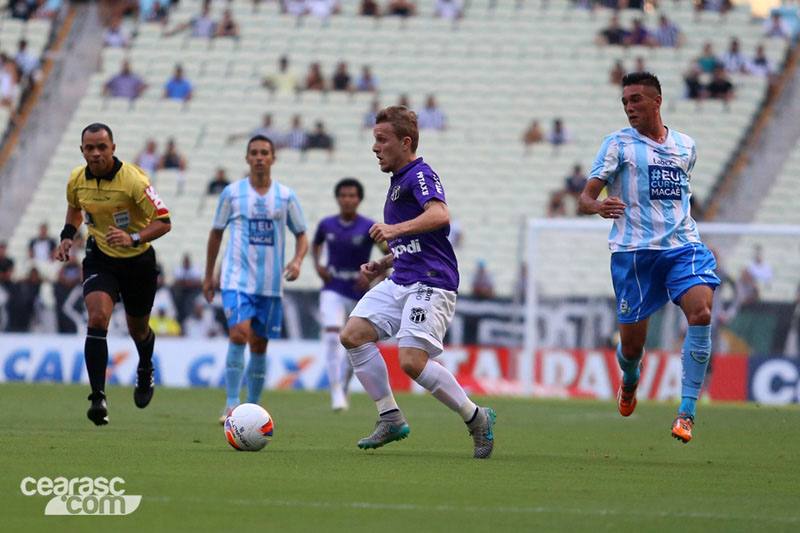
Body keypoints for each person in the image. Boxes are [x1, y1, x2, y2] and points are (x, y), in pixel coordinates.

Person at [339, 106, 495, 459]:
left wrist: (393, 230)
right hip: (403, 276)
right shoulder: (398, 183)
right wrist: (385, 259)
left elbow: (440, 214)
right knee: (353, 335)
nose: (375, 148)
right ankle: (390, 416)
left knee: (411, 361)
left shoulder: (419, 174)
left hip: (431, 282)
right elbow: (418, 241)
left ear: (405, 142)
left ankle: (476, 417)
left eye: (382, 140)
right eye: (374, 140)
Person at [578, 72, 720, 444]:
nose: (629, 108)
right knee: (632, 347)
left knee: (702, 313)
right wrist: (598, 206)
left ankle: (686, 413)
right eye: (625, 102)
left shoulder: (686, 146)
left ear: (657, 101)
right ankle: (629, 377)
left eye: (637, 99)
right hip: (634, 255)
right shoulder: (617, 146)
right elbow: (585, 197)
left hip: (682, 247)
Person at [55, 123, 172, 425]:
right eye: (89, 148)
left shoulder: (133, 179)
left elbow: (164, 221)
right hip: (100, 258)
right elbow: (74, 208)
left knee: (138, 330)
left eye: (101, 147)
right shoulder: (76, 179)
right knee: (96, 318)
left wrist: (133, 238)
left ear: (113, 148)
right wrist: (67, 235)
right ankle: (98, 397)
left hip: (138, 262)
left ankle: (145, 366)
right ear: (82, 150)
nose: (95, 153)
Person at [203, 134, 308, 423]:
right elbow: (216, 232)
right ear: (247, 158)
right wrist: (210, 273)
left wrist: (297, 260)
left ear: (273, 158)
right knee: (239, 334)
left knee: (260, 346)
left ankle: (252, 410)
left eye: (264, 152)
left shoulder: (285, 196)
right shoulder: (232, 193)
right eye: (254, 153)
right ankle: (231, 404)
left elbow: (302, 234)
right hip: (236, 278)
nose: (259, 157)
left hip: (270, 284)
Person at [312, 178, 380, 411]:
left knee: (356, 342)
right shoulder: (326, 225)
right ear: (338, 198)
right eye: (343, 195)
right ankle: (336, 392)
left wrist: (373, 275)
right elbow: (316, 244)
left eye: (352, 196)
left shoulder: (370, 227)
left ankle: (346, 383)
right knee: (332, 335)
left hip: (360, 292)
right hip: (333, 287)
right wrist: (317, 265)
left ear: (359, 199)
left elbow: (390, 256)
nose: (347, 200)